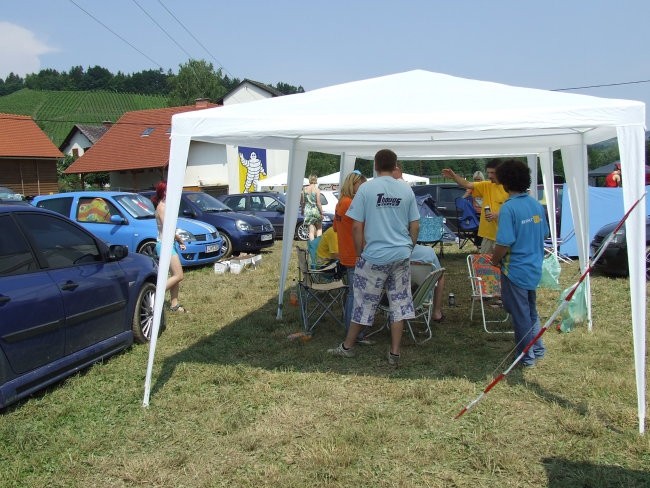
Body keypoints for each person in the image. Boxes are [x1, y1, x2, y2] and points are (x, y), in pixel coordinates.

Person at [328, 150, 420, 366]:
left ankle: (348, 347)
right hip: (400, 255)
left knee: (363, 303)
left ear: (376, 166)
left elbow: (357, 226)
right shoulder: (406, 189)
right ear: (395, 164)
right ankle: (395, 352)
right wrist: (409, 246)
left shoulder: (367, 189)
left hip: (374, 256)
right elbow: (415, 225)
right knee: (399, 304)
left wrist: (360, 252)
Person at [490, 160, 547, 367]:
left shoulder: (509, 208)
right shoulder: (535, 204)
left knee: (520, 314)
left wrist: (494, 260)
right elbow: (545, 233)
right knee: (530, 311)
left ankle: (526, 357)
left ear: (505, 182)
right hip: (533, 267)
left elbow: (504, 242)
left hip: (515, 270)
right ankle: (537, 348)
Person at [332, 170, 372, 345]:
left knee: (352, 294)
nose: (362, 188)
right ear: (353, 184)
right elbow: (361, 227)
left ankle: (352, 332)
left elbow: (334, 227)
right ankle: (354, 334)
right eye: (360, 185)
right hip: (355, 254)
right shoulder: (350, 203)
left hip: (346, 254)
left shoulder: (340, 202)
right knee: (356, 296)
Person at [442, 159, 507, 254]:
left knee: (504, 265)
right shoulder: (487, 185)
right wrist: (454, 176)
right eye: (488, 172)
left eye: (493, 173)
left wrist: (498, 215)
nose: (489, 176)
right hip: (488, 235)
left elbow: (517, 211)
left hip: (504, 236)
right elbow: (467, 184)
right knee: (485, 266)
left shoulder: (510, 188)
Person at [151, 181, 187, 313]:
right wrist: (180, 239)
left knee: (174, 276)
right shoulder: (162, 207)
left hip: (169, 244)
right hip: (164, 245)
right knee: (178, 275)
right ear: (164, 192)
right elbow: (168, 229)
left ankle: (174, 305)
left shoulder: (166, 206)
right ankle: (155, 293)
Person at [410, 244, 445, 322]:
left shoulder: (389, 251)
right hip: (420, 296)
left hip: (392, 297)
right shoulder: (427, 251)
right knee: (440, 276)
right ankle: (436, 312)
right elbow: (439, 274)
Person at [300, 175, 323, 240]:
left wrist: (302, 210)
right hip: (315, 211)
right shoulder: (317, 190)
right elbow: (318, 203)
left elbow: (302, 202)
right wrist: (321, 213)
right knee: (319, 228)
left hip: (307, 211)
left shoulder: (304, 189)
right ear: (316, 180)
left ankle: (312, 246)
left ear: (309, 180)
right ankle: (318, 244)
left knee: (311, 231)